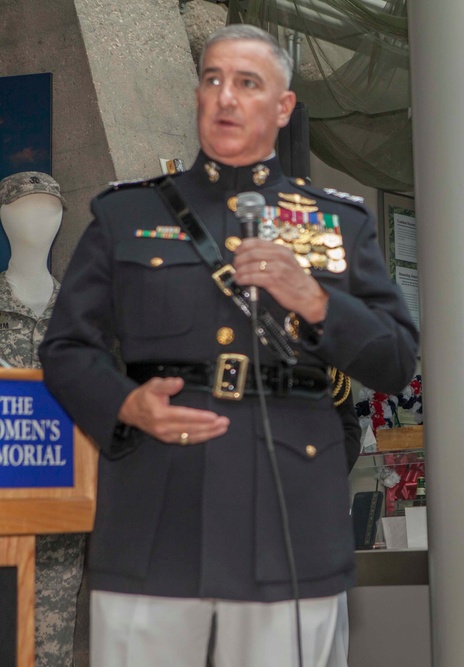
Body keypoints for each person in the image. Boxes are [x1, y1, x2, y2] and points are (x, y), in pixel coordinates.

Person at [39, 24, 417, 667]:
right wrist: (127, 407)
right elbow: (67, 347)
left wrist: (318, 301)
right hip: (155, 513)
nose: (226, 97)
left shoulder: (335, 222)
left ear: (283, 106)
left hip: (289, 523)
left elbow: (396, 360)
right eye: (213, 80)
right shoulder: (124, 216)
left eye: (248, 83)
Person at [0, 171, 85, 667]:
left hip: (60, 510)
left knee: (52, 649)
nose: (39, 221)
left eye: (50, 209)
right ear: (3, 216)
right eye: (24, 208)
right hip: (1, 508)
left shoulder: (82, 313)